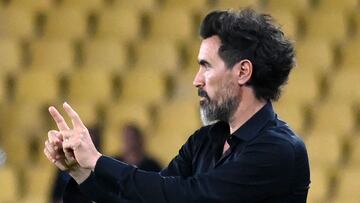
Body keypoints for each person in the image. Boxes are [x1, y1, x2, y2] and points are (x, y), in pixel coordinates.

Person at [44, 8, 310, 203]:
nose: (197, 80)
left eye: (206, 66)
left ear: (242, 72)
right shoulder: (203, 142)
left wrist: (98, 161)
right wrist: (82, 173)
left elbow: (188, 197)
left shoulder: (280, 151)